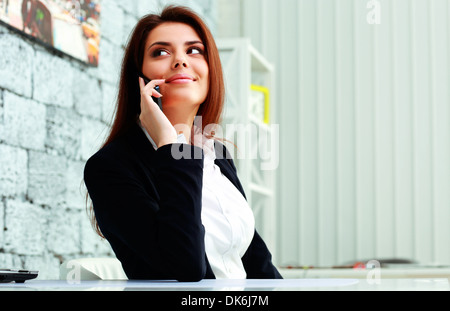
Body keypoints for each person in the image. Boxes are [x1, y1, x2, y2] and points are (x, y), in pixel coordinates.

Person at [84, 5, 282, 282]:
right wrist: (171, 148)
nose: (180, 61)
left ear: (210, 69)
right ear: (139, 77)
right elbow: (185, 267)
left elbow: (258, 264)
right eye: (161, 52)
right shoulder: (110, 167)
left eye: (194, 50)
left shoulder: (217, 154)